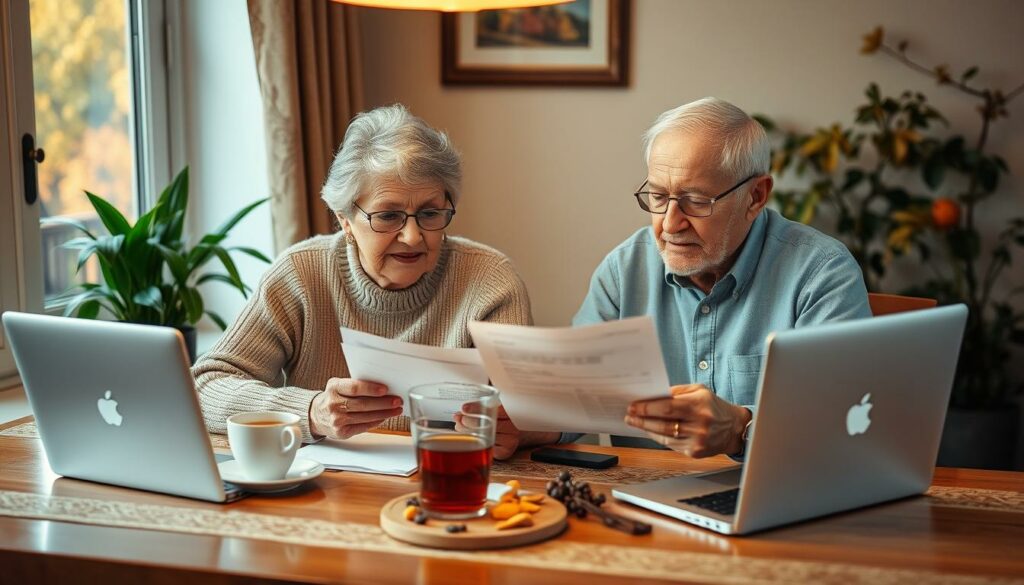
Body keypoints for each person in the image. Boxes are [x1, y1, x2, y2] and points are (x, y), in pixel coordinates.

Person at [193, 104, 558, 458]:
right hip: (329, 489)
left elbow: (543, 414)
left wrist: (521, 429)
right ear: (345, 220)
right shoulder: (301, 274)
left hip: (451, 484)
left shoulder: (490, 282)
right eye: (388, 216)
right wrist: (311, 411)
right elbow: (205, 386)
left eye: (430, 213)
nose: (414, 236)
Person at [572, 97, 871, 457]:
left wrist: (739, 428)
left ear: (755, 196)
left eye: (696, 201)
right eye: (658, 196)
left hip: (776, 498)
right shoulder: (624, 271)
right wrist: (531, 427)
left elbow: (840, 419)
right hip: (641, 497)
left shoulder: (821, 273)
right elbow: (577, 393)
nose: (669, 224)